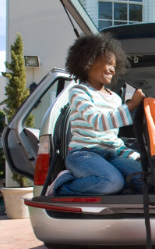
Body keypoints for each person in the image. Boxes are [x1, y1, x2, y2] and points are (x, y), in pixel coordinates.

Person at [49, 33, 147, 196]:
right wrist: (132, 104)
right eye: (108, 63)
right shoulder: (79, 92)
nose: (112, 69)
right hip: (84, 154)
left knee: (147, 178)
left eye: (114, 66)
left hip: (111, 155)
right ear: (87, 62)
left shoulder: (114, 98)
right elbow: (98, 122)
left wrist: (138, 157)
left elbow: (111, 138)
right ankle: (63, 184)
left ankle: (118, 187)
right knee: (111, 182)